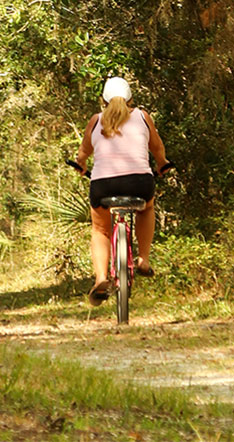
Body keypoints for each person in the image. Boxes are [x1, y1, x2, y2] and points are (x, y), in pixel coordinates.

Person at [72, 77, 170, 306]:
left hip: (103, 184)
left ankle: (101, 278)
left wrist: (81, 164)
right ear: (130, 99)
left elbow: (84, 151)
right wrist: (162, 163)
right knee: (147, 208)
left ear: (103, 101)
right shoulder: (142, 117)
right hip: (140, 182)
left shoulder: (96, 120)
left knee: (100, 229)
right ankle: (143, 259)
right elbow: (156, 147)